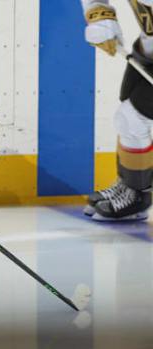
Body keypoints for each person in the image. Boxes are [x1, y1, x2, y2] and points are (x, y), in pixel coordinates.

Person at [81, 0, 153, 221]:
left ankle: (136, 193)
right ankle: (132, 187)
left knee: (133, 117)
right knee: (128, 118)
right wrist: (100, 16)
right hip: (148, 48)